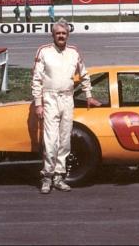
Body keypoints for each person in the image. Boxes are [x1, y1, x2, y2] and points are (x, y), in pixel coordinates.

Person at [31, 18, 101, 194]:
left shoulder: (74, 52)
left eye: (64, 33)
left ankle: (59, 177)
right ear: (53, 35)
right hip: (50, 98)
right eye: (58, 33)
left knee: (65, 140)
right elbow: (36, 79)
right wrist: (38, 104)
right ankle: (47, 177)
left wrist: (89, 96)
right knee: (50, 140)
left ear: (68, 35)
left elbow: (84, 76)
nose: (61, 36)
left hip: (67, 99)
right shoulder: (44, 51)